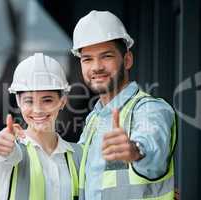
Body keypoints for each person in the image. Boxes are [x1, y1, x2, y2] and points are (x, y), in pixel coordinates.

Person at [71, 10, 177, 199]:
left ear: (127, 60)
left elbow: (152, 144)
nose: (96, 67)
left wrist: (135, 150)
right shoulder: (93, 119)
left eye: (106, 56)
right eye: (87, 59)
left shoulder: (148, 109)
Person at [0, 53, 82, 200]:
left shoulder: (79, 155)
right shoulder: (12, 149)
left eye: (47, 100)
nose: (37, 109)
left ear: (62, 101)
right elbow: (1, 154)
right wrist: (0, 146)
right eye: (29, 101)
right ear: (18, 102)